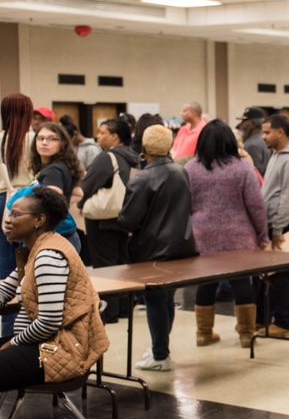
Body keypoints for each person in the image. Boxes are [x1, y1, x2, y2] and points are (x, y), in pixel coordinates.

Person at [0, 187, 110, 419]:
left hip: (58, 349)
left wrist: (14, 343)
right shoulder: (34, 249)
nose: (7, 220)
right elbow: (7, 289)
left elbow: (49, 321)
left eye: (15, 214)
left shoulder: (48, 255)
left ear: (39, 220)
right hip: (41, 343)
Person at [118, 125, 198, 371]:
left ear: (144, 148)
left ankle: (160, 354)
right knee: (168, 298)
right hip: (181, 245)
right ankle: (160, 347)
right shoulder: (180, 171)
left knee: (154, 299)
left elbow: (128, 220)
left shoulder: (142, 178)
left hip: (152, 248)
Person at [185, 120, 270, 348]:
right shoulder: (242, 167)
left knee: (206, 282)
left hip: (203, 233)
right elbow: (255, 204)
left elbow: (186, 203)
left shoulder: (191, 168)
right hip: (239, 234)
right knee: (242, 280)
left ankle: (203, 333)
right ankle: (246, 334)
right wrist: (263, 234)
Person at [256, 115, 289, 337]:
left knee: (281, 278)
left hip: (283, 227)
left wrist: (277, 230)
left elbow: (288, 199)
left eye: (267, 132)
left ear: (281, 133)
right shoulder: (276, 155)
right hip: (272, 225)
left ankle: (285, 322)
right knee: (269, 277)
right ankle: (265, 318)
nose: (263, 136)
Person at [0, 94, 37, 338]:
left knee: (4, 271)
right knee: (28, 268)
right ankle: (21, 333)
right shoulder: (36, 140)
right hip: (29, 203)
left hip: (2, 201)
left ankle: (6, 332)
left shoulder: (0, 139)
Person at [79, 119, 138, 268]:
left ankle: (112, 293)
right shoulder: (133, 157)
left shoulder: (106, 157)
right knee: (122, 264)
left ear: (114, 136)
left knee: (105, 267)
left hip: (102, 221)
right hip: (125, 218)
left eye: (102, 132)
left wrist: (80, 203)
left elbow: (88, 185)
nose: (97, 136)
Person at [24, 122, 84, 252]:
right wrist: (65, 203)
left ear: (62, 143)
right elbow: (78, 194)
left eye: (52, 139)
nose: (45, 142)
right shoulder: (59, 166)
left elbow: (52, 199)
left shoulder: (53, 170)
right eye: (41, 138)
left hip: (56, 238)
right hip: (66, 236)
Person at [237, 107, 270, 176]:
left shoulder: (252, 144)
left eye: (244, 121)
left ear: (254, 125)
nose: (241, 124)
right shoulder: (263, 140)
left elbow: (254, 173)